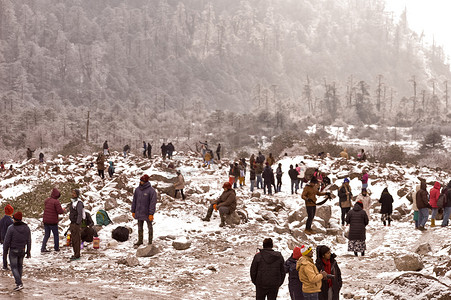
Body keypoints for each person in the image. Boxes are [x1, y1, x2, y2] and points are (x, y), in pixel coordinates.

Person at [3, 211, 31, 291]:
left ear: (15, 219)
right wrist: (28, 251)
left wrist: (5, 250)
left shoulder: (11, 228)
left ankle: (19, 283)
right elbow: (29, 240)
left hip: (13, 250)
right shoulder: (26, 228)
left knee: (14, 267)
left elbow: (7, 241)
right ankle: (19, 282)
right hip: (22, 249)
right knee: (20, 266)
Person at [131, 174, 157, 246]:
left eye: (142, 181)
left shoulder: (151, 191)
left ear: (146, 182)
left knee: (149, 227)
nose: (141, 182)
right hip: (139, 212)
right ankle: (140, 240)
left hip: (147, 213)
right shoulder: (137, 190)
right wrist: (133, 211)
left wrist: (151, 213)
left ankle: (150, 241)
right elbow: (134, 201)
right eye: (140, 180)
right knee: (140, 227)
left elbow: (152, 203)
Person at [41, 188, 65, 253]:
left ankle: (43, 248)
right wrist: (63, 210)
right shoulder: (56, 202)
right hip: (53, 221)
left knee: (47, 235)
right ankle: (56, 248)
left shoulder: (47, 200)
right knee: (56, 235)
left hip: (46, 220)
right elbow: (59, 211)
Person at [69, 189, 84, 261]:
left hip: (76, 224)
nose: (72, 194)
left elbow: (80, 214)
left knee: (76, 239)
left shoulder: (79, 203)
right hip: (72, 223)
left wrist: (77, 223)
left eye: (74, 193)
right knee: (73, 239)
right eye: (72, 193)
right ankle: (75, 253)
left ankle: (77, 254)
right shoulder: (73, 202)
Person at [0, 204, 14, 270]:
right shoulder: (10, 221)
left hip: (3, 238)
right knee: (11, 252)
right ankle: (12, 264)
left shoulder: (2, 220)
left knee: (5, 252)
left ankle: (4, 265)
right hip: (9, 239)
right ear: (11, 212)